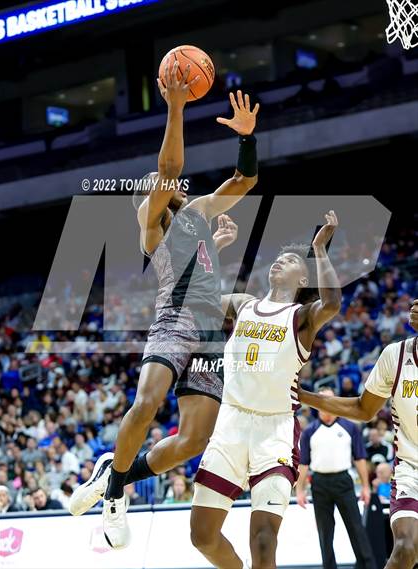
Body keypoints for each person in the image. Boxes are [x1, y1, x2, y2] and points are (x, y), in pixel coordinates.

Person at [69, 59, 259, 550]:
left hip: (212, 332)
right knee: (147, 401)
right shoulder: (152, 227)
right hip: (174, 323)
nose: (162, 189)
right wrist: (175, 107)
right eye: (154, 190)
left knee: (195, 440)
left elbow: (244, 181)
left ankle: (116, 474)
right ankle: (114, 495)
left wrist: (246, 138)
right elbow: (170, 168)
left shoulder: (196, 216)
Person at [189, 212, 342, 569]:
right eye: (278, 258)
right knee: (202, 536)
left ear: (303, 277)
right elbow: (196, 297)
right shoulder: (244, 304)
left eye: (290, 260)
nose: (279, 262)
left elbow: (332, 304)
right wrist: (213, 247)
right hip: (230, 424)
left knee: (263, 539)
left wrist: (319, 248)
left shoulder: (301, 316)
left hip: (273, 430)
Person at [299, 299, 418, 569]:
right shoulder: (395, 355)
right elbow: (364, 409)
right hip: (411, 470)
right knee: (406, 547)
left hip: (341, 481)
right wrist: (304, 395)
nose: (415, 303)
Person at [296, 387, 376, 569]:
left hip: (344, 482)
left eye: (331, 399)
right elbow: (303, 464)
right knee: (325, 534)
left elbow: (360, 458)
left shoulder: (349, 427)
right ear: (316, 404)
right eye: (323, 400)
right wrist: (299, 490)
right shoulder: (309, 432)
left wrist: (365, 487)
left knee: (356, 529)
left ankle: (368, 566)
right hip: (319, 484)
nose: (328, 404)